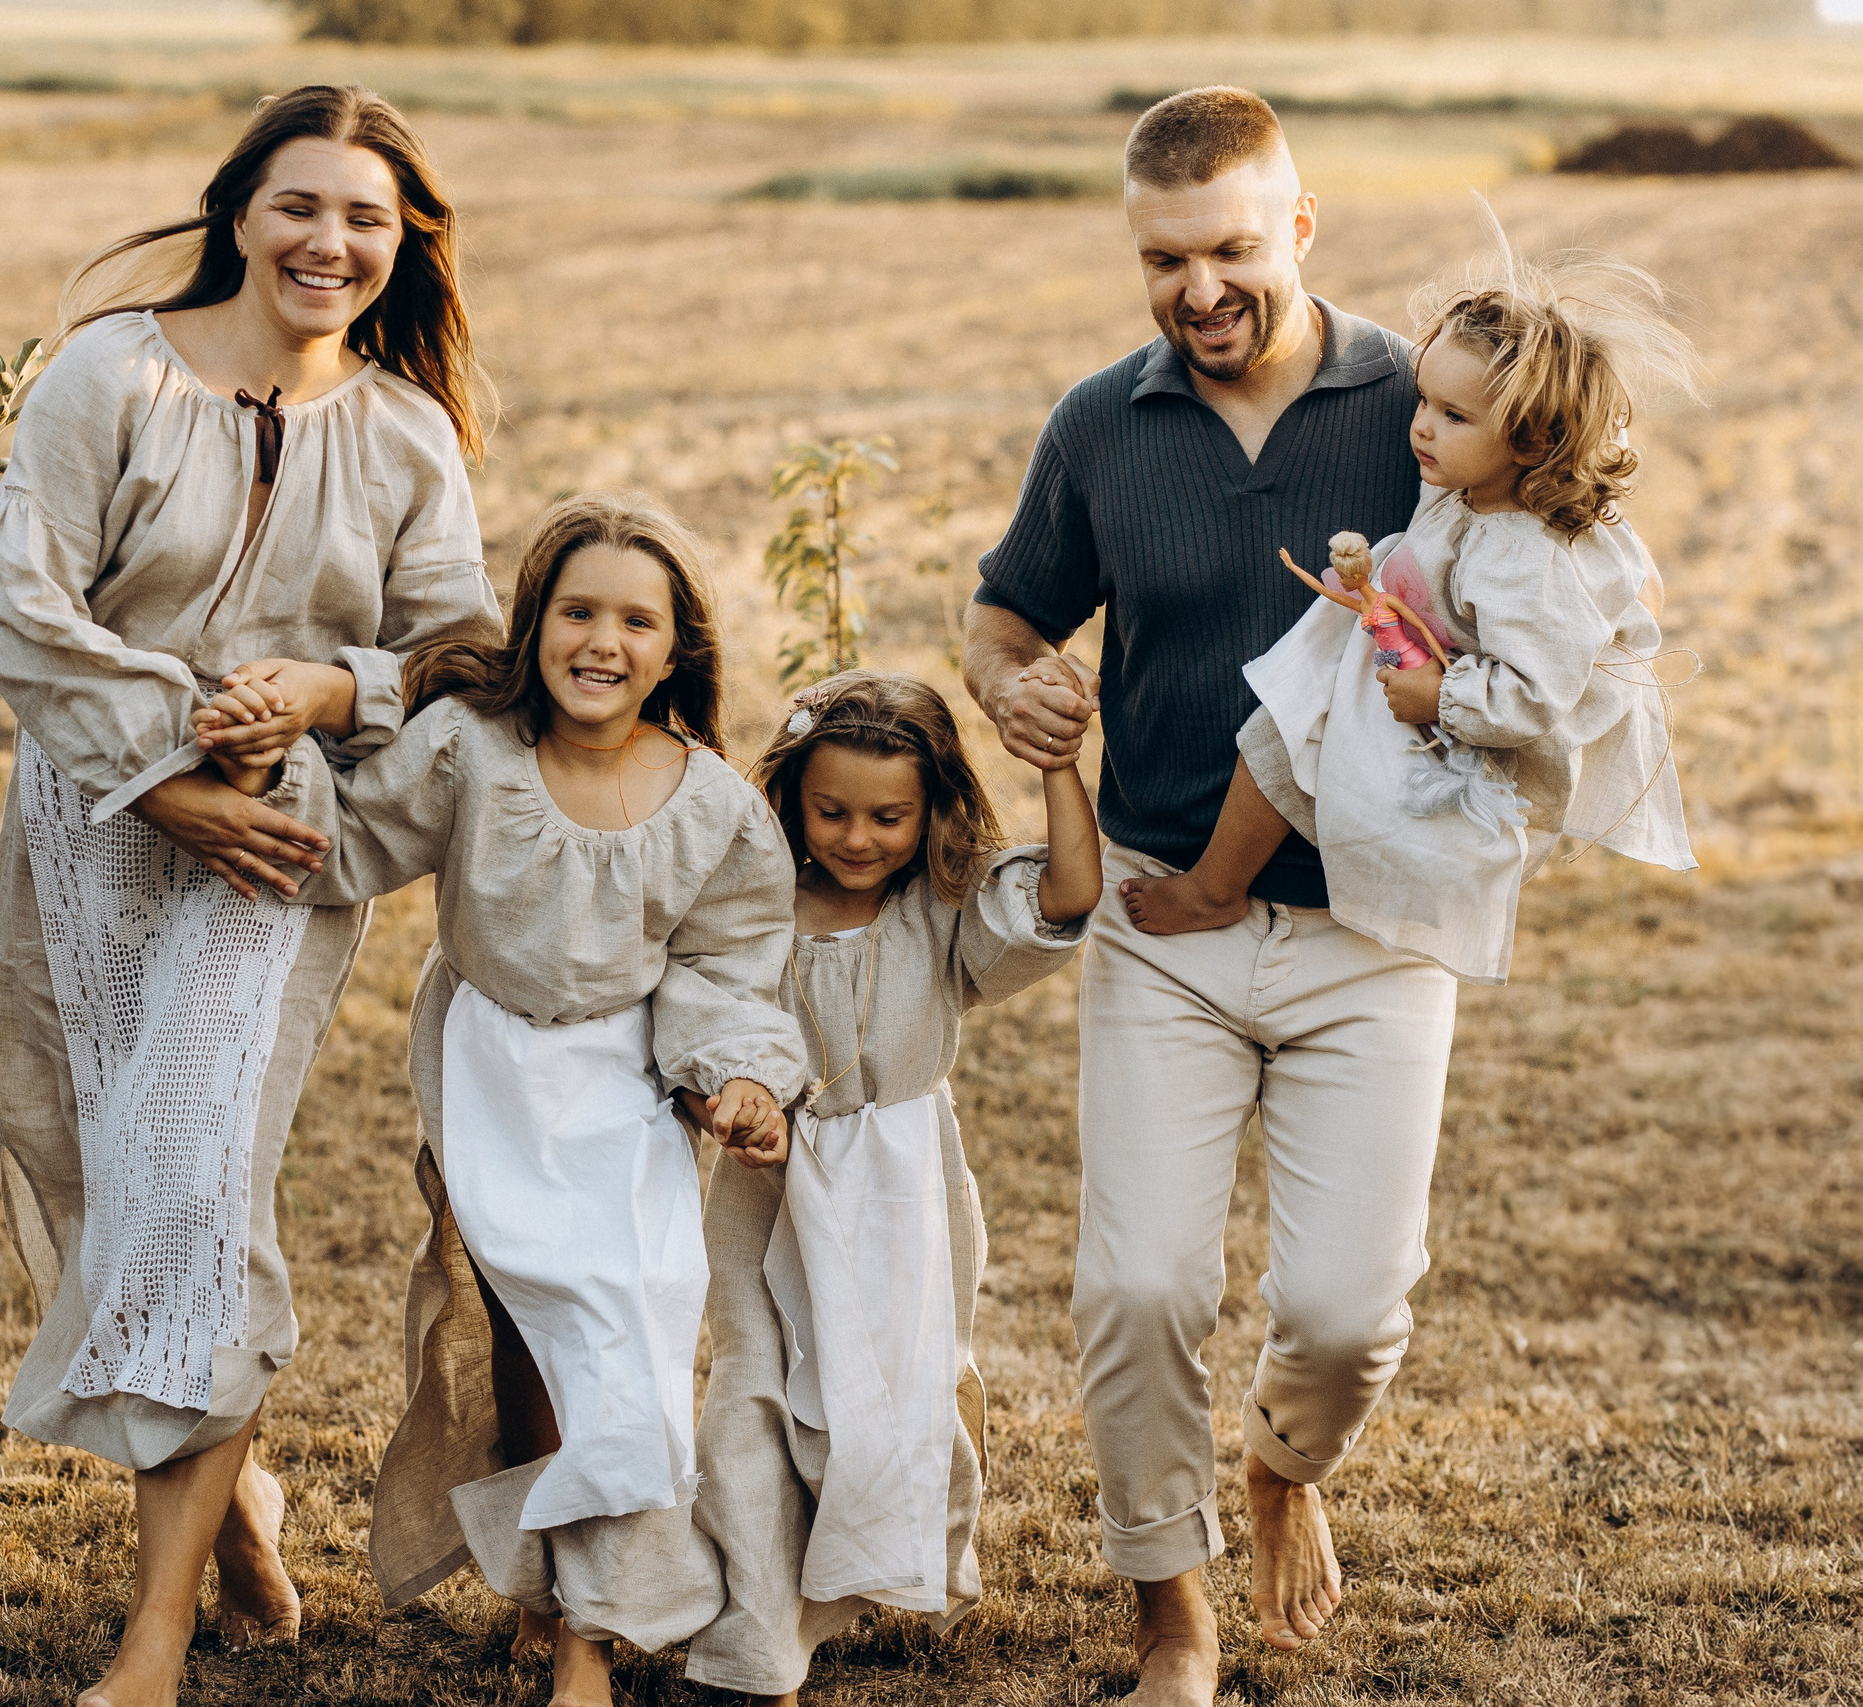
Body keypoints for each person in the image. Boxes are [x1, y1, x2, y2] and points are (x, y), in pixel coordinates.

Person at [0, 85, 501, 1707]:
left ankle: (158, 1631)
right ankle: (234, 1488)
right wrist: (164, 776)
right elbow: (26, 611)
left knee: (197, 1180)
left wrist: (335, 695)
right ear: (239, 209)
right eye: (302, 205)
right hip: (94, 809)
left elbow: (462, 650)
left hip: (277, 848)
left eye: (367, 218)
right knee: (85, 1167)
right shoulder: (108, 372)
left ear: (401, 245)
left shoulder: (406, 431)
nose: (330, 242)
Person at [959, 87, 1442, 1705]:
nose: (1201, 288)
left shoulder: (1420, 407)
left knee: (1343, 1312)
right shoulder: (1105, 423)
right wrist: (1013, 687)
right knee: (1141, 1283)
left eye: (1234, 247)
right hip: (1163, 917)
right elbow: (1007, 617)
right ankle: (1171, 1610)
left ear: (1298, 229)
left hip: (1378, 922)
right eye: (1165, 258)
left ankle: (1284, 1466)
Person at [219, 492, 808, 1707]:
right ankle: (556, 1598)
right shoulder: (471, 752)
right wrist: (265, 760)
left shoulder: (713, 810)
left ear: (676, 649)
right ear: (534, 623)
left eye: (636, 621)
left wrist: (737, 1078)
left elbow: (726, 970)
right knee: (537, 1340)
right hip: (489, 1078)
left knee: (634, 1341)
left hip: (625, 1092)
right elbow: (355, 840)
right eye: (576, 611)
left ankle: (590, 1631)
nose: (603, 642)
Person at [1117, 231, 1697, 980]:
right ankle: (1221, 889)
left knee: (1296, 740)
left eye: (1454, 416)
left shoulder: (1525, 558)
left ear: (1531, 441)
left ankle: (1229, 895)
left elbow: (1536, 696)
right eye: (1424, 398)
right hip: (1406, 672)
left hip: (1465, 725)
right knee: (1284, 730)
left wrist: (1441, 692)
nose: (1421, 425)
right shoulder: (1473, 487)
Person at [683, 669, 1100, 1704]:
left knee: (899, 1389)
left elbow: (1069, 895)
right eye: (830, 811)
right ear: (791, 796)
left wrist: (1057, 767)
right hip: (765, 1188)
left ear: (932, 812)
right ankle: (758, 1644)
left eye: (887, 817)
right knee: (754, 1389)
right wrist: (727, 1105)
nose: (857, 838)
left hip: (907, 1186)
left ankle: (875, 1568)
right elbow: (697, 1024)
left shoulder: (944, 907)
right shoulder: (748, 904)